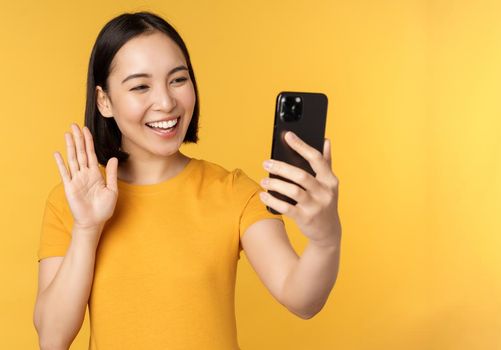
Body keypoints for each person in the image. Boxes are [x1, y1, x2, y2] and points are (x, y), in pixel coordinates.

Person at [32, 11, 341, 349]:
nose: (166, 102)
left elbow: (302, 299)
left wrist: (326, 239)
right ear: (104, 101)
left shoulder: (233, 192)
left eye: (178, 79)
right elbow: (52, 338)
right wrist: (86, 229)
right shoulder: (71, 203)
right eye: (140, 86)